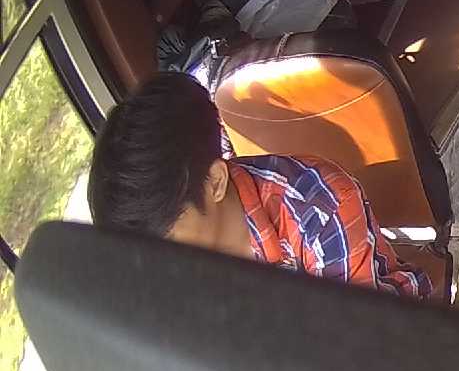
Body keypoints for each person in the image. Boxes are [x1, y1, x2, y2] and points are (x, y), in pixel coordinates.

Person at [88, 72, 430, 298]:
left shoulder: (318, 211)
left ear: (215, 182)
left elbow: (355, 347)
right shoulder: (164, 264)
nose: (156, 267)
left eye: (164, 239)